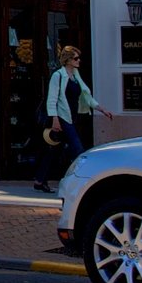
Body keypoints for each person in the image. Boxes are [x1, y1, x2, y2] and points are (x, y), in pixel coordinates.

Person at [33, 44, 110, 193]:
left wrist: (101, 109)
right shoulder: (58, 76)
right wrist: (54, 118)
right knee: (78, 150)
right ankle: (85, 181)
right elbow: (52, 98)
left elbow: (86, 96)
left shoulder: (75, 75)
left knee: (54, 150)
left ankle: (39, 180)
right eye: (75, 58)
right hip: (62, 118)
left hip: (72, 117)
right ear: (67, 60)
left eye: (78, 58)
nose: (78, 61)